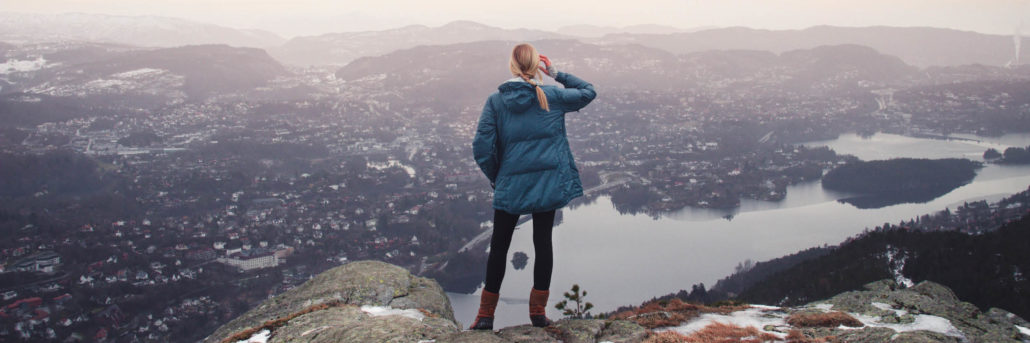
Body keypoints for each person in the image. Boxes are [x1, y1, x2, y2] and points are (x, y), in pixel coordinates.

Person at [470, 43, 596, 330]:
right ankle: (538, 314)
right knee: (543, 244)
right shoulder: (551, 95)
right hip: (547, 184)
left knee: (499, 247)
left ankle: (485, 316)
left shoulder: (496, 101)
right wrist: (555, 73)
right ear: (535, 66)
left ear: (513, 66)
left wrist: (497, 176)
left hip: (510, 184)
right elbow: (589, 91)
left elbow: (482, 147)